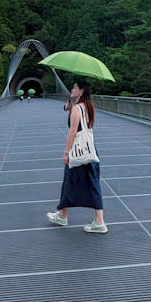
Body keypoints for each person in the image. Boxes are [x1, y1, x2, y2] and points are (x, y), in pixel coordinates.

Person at [47, 80, 107, 234]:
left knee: (70, 182)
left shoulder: (77, 109)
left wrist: (66, 153)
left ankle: (64, 216)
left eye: (74, 87)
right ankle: (68, 215)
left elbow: (73, 132)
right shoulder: (88, 107)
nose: (72, 89)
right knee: (92, 184)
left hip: (78, 153)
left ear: (80, 91)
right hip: (90, 151)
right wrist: (70, 107)